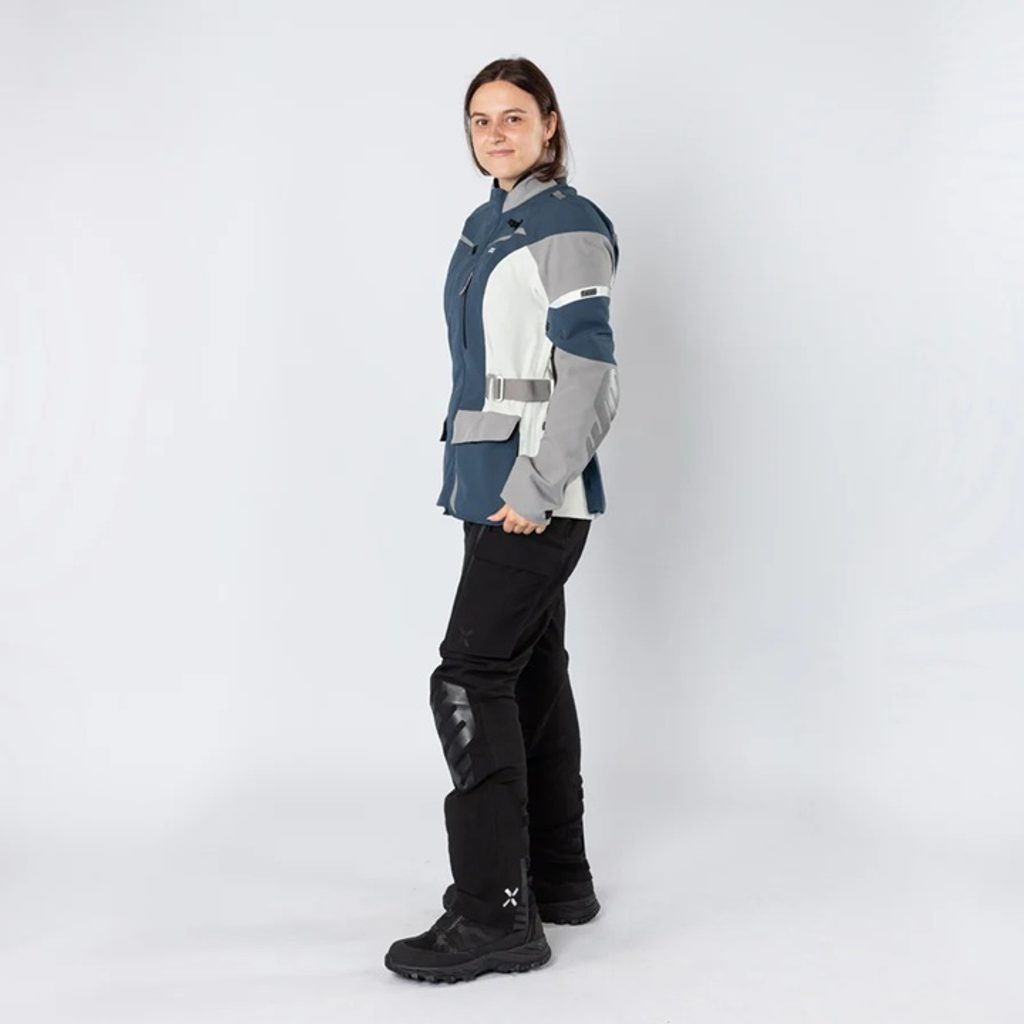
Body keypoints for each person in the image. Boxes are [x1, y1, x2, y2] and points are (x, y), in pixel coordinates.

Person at [384, 56, 621, 984]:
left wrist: (538, 483)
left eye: (514, 116)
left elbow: (590, 373)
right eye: (480, 119)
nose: (495, 134)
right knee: (527, 674)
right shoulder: (489, 226)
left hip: (532, 494)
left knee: (469, 674)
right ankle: (559, 880)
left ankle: (495, 915)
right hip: (490, 486)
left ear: (549, 124)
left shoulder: (565, 223)